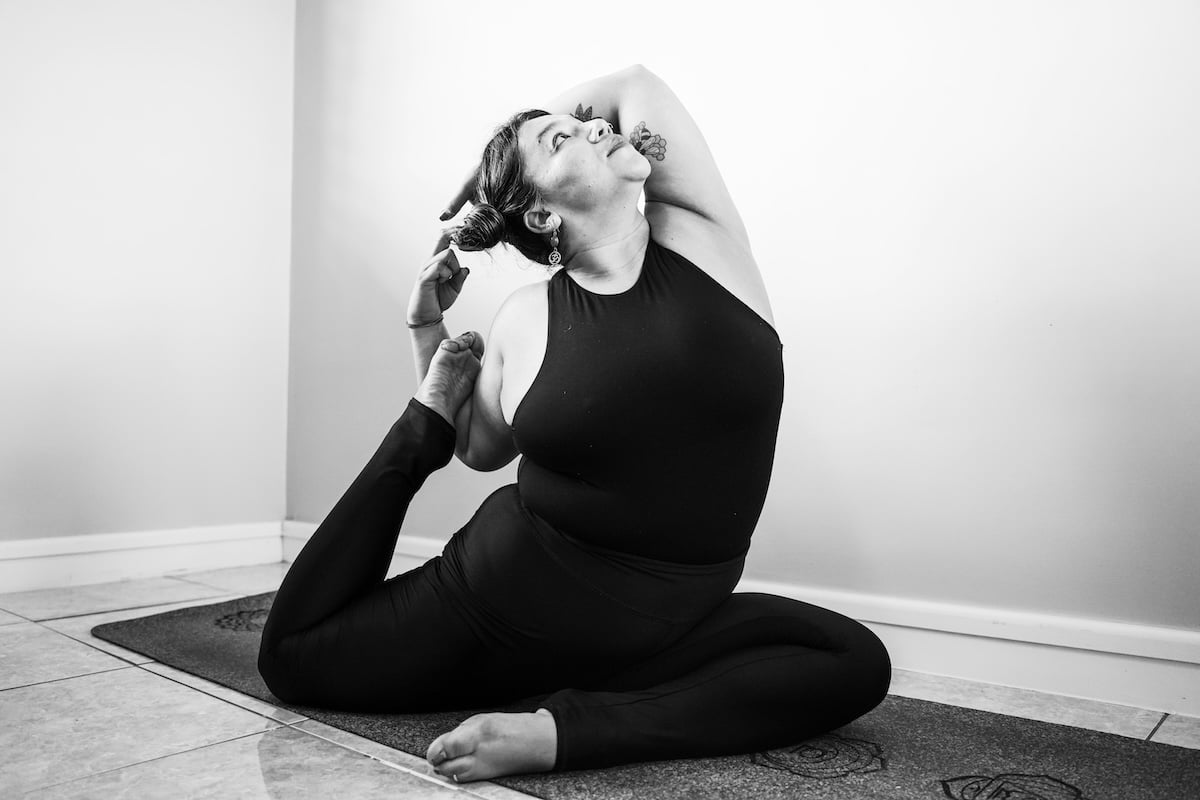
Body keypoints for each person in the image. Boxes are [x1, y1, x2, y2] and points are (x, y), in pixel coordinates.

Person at [257, 64, 890, 783]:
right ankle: (573, 718)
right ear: (541, 216)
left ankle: (558, 730)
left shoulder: (705, 239)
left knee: (854, 661)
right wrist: (425, 333)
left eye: (593, 126)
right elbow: (479, 448)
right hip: (494, 608)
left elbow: (632, 81)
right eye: (567, 137)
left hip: (665, 616)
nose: (598, 124)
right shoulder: (525, 317)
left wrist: (494, 162)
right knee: (291, 656)